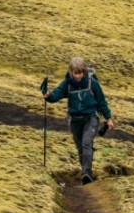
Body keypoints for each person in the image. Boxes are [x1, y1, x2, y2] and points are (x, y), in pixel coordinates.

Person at [42, 56, 114, 184]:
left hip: (90, 118)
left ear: (84, 71)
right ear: (71, 72)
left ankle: (86, 173)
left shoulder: (93, 83)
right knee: (80, 147)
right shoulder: (67, 83)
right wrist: (48, 96)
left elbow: (102, 101)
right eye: (75, 73)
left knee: (86, 143)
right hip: (74, 120)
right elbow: (56, 95)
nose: (78, 76)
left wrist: (108, 118)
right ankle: (86, 172)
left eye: (80, 73)